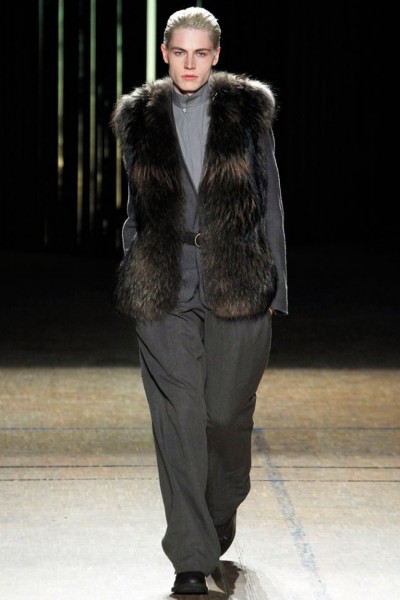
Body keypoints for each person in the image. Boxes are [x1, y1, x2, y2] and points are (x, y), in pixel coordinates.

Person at [111, 6, 287, 596]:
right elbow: (136, 208)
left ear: (216, 56)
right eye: (180, 52)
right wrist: (134, 263)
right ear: (165, 54)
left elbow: (270, 204)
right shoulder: (139, 119)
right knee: (178, 419)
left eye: (201, 53)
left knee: (225, 417)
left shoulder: (246, 113)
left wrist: (276, 290)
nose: (190, 64)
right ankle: (190, 557)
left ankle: (216, 515)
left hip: (239, 281)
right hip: (163, 285)